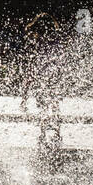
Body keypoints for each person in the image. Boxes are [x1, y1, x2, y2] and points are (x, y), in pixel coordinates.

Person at [20, 13, 64, 150]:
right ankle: (57, 133)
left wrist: (25, 94)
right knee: (55, 106)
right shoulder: (57, 40)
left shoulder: (37, 43)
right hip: (54, 78)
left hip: (41, 79)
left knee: (43, 108)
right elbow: (60, 60)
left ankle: (43, 134)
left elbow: (33, 66)